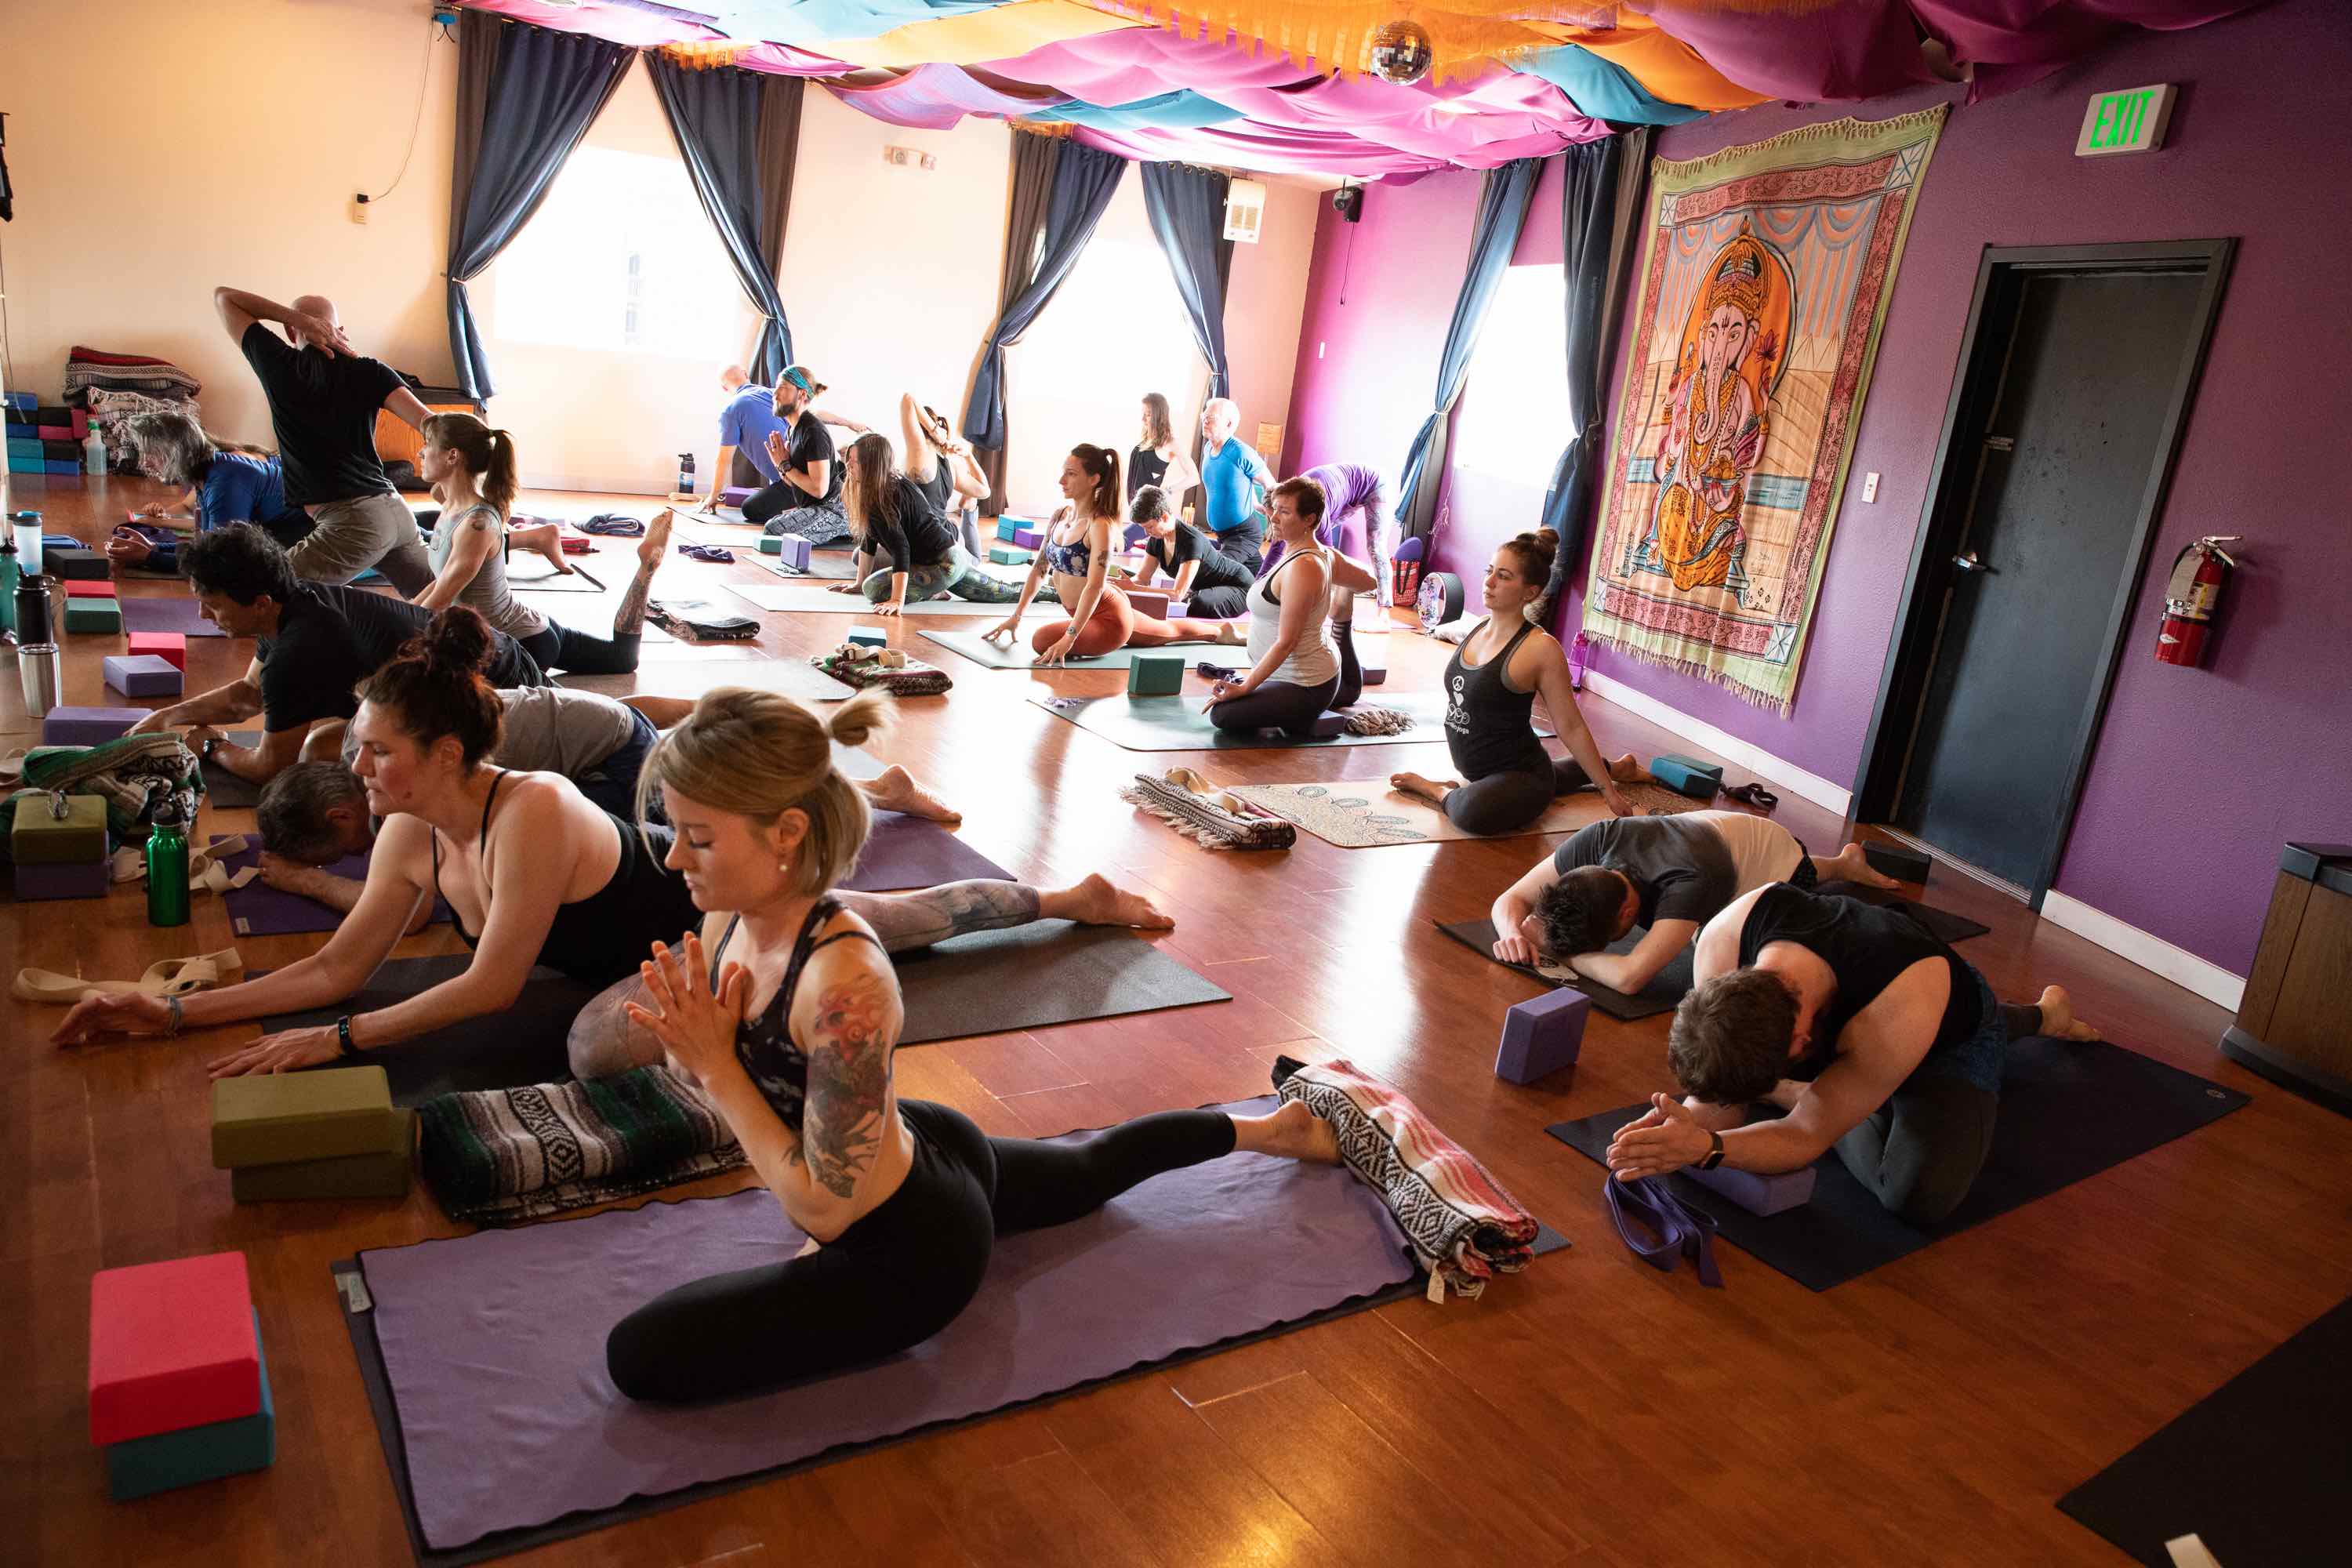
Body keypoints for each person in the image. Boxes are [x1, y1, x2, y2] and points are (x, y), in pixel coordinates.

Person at [594, 685, 1341, 1403]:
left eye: (696, 839)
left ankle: (1267, 1132)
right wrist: (693, 1051)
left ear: (787, 832)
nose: (673, 859)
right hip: (922, 1144)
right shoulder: (730, 915)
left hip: (912, 1252)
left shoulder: (843, 983)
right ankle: (1271, 1129)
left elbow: (824, 1210)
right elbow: (733, 1085)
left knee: (639, 1357)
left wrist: (717, 1066)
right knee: (1087, 1169)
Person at [1606, 883, 2100, 1225]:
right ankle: (2042, 1015)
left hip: (1950, 1036)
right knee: (1762, 1093)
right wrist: (1685, 1128)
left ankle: (2035, 1017)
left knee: (1917, 1199)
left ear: (1802, 1047)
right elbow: (1720, 1091)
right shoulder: (1723, 943)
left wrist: (1710, 1149)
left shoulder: (1895, 1012)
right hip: (1885, 1011)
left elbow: (1806, 1135)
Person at [251, 689, 960, 916]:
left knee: (677, 836)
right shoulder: (358, 753)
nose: (362, 856)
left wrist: (306, 882)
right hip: (599, 730)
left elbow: (410, 915)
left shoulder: (406, 783)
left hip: (610, 752)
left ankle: (872, 788)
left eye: (346, 848)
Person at [125, 525, 543, 786]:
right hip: (497, 661)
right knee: (328, 745)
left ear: (259, 602)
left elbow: (270, 767)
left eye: (213, 605)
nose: (203, 616)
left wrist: (214, 747)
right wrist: (168, 716)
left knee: (317, 753)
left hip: (499, 693)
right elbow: (248, 694)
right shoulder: (289, 607)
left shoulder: (298, 651)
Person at [1487, 812, 1902, 994]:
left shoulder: (1689, 885)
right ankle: (1846, 862)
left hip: (1770, 857)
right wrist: (1511, 931)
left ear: (1629, 916)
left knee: (1787, 896)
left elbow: (1631, 978)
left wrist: (1565, 952)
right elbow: (1512, 898)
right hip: (1713, 832)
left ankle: (1842, 868)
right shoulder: (1597, 840)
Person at [1390, 530, 1636, 834]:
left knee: (1473, 813)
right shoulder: (1479, 627)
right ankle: (1618, 767)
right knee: (1541, 779)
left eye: (1504, 576)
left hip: (1521, 773)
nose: (1489, 581)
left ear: (1529, 592)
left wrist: (1608, 793)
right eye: (1489, 571)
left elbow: (1571, 726)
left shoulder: (1541, 649)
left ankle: (1437, 791)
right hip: (1484, 772)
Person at [213, 285, 437, 593]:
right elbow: (431, 424)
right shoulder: (370, 370)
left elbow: (224, 298)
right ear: (339, 330)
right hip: (396, 512)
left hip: (353, 523)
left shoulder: (281, 366)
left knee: (265, 596)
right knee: (440, 607)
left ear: (292, 333)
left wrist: (297, 319)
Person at [411, 412, 668, 674]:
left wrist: (394, 628)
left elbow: (440, 600)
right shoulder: (446, 500)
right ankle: (648, 562)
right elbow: (441, 582)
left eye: (427, 444)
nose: (421, 453)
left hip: (523, 644)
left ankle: (648, 564)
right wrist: (402, 613)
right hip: (527, 627)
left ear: (452, 456)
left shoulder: (477, 525)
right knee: (622, 659)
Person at [1203, 477, 1343, 737]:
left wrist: (1246, 689)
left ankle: (1298, 713)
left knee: (1223, 715)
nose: (1274, 517)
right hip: (1282, 676)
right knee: (1227, 699)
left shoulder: (1305, 566)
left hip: (1306, 684)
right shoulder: (1293, 552)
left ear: (1309, 519)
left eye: (1285, 512)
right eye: (1275, 509)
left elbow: (1287, 641)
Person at [828, 435, 1022, 614]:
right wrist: (857, 583)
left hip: (945, 564)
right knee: (1006, 592)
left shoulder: (885, 497)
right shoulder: (881, 487)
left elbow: (901, 550)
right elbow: (869, 538)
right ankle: (938, 589)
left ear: (872, 464)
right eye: (849, 458)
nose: (849, 464)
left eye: (856, 460)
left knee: (873, 590)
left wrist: (897, 600)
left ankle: (934, 591)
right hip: (942, 561)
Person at [105, 410, 313, 572]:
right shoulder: (209, 474)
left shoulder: (224, 479)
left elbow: (220, 563)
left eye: (150, 453)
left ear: (173, 452)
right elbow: (205, 545)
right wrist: (153, 547)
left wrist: (150, 557)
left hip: (310, 544)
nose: (145, 462)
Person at [704, 365, 866, 514]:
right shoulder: (771, 395)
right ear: (746, 375)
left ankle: (842, 475)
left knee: (751, 509)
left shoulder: (731, 410)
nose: (777, 392)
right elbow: (815, 412)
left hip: (802, 483)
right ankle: (842, 470)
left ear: (724, 388)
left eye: (782, 387)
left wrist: (713, 497)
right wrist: (849, 423)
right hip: (794, 477)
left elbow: (723, 459)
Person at [744, 366, 851, 544]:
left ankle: (845, 529)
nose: (775, 393)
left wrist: (785, 465)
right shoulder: (792, 429)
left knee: (773, 530)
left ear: (802, 394)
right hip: (812, 507)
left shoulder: (813, 431)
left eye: (783, 387)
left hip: (833, 510)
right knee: (769, 523)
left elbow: (819, 489)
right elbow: (793, 482)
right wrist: (781, 466)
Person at [1266, 462, 1393, 609]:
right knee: (1302, 542)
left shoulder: (1317, 511)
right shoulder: (1291, 501)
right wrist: (1259, 587)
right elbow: (1277, 546)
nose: (1275, 519)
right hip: (1342, 492)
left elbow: (1326, 558)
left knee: (1375, 546)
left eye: (1281, 513)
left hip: (1376, 484)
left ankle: (1384, 612)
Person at [1127, 485, 1254, 620]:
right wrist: (1117, 585)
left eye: (1149, 527)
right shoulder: (1156, 538)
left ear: (1164, 517)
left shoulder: (1191, 540)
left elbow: (1176, 595)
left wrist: (1134, 589)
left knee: (1196, 604)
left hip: (1239, 586)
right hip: (1205, 589)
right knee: (1187, 600)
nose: (1147, 533)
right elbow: (1142, 579)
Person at [899, 394, 990, 552]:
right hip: (942, 536)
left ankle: (967, 510)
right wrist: (969, 456)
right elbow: (984, 491)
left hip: (938, 544)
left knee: (973, 562)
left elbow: (908, 400)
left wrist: (935, 432)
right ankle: (968, 508)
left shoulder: (918, 451)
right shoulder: (951, 467)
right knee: (860, 554)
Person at [1197, 397, 1273, 564]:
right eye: (1204, 417)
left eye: (1211, 418)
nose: (1205, 421)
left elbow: (1270, 484)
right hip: (1224, 535)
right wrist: (1254, 503)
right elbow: (1243, 479)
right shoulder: (1209, 447)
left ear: (1229, 424)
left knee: (1215, 570)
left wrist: (1271, 511)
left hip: (1242, 534)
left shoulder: (1240, 452)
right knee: (1255, 581)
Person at [1126, 393, 1200, 528]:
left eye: (1148, 414)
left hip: (1150, 511)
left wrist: (1167, 490)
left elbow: (1194, 477)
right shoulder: (1145, 438)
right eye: (1143, 413)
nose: (1143, 419)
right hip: (1135, 508)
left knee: (1119, 545)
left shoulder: (1170, 442)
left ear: (1159, 415)